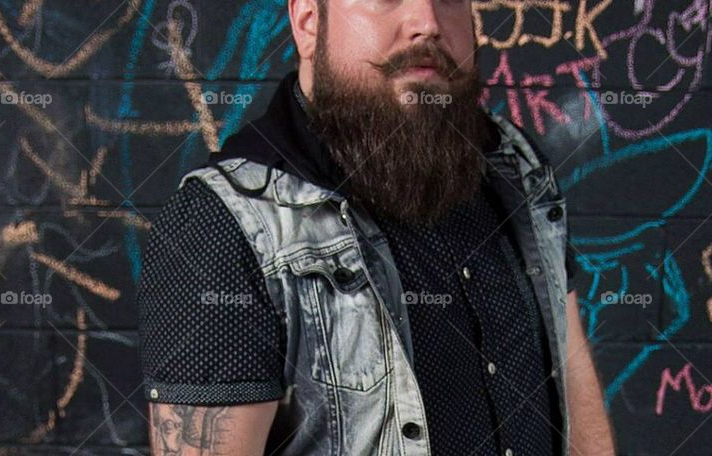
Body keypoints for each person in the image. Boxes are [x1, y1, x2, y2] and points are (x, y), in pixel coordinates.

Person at [137, 0, 615, 453]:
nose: (427, 21)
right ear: (309, 23)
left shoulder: (516, 170)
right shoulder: (222, 225)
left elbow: (573, 384)